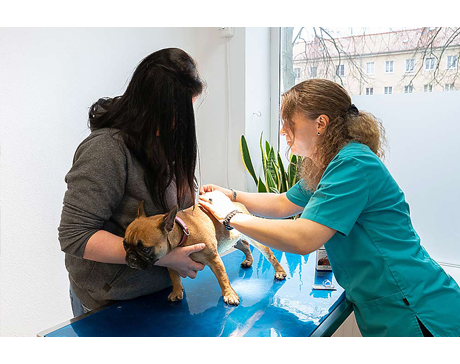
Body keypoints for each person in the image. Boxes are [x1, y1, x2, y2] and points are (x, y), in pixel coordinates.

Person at [198, 78, 460, 337]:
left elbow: (304, 238)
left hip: (414, 308)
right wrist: (229, 194)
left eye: (289, 122)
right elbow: (283, 203)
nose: (282, 131)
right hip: (390, 305)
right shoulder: (328, 165)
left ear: (320, 123)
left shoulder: (352, 164)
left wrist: (230, 215)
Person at [59, 48, 206, 317]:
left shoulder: (166, 142)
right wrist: (162, 257)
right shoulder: (106, 150)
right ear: (154, 108)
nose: (181, 124)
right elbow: (75, 236)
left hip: (162, 294)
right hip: (111, 304)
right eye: (178, 115)